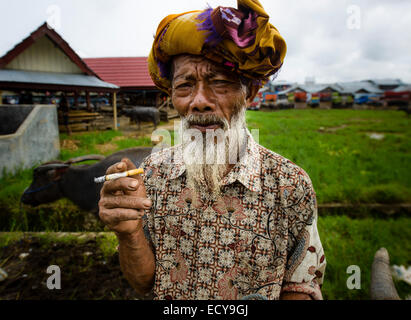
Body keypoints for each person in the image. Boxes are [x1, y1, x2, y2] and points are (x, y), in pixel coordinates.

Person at [98, 0, 326, 300]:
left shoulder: (289, 185)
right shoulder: (152, 176)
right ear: (173, 97)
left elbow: (300, 287)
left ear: (250, 93)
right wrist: (128, 233)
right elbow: (143, 285)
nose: (199, 101)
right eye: (184, 86)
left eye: (218, 82)